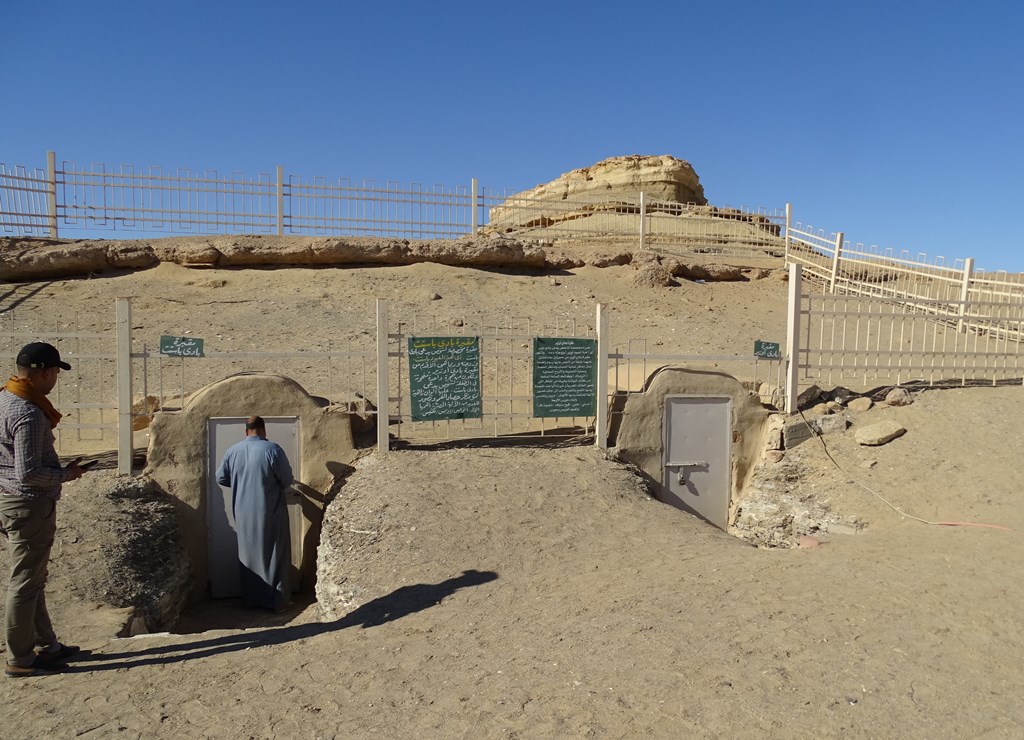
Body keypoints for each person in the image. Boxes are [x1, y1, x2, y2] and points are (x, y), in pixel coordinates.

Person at [0, 342, 90, 678]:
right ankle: (20, 658)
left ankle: (45, 644)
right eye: (53, 372)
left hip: (10, 499)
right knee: (24, 582)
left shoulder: (5, 397)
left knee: (33, 578)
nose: (55, 379)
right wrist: (68, 473)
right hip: (28, 503)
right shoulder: (28, 412)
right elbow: (29, 472)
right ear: (44, 373)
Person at [215, 416, 294, 611]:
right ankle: (277, 601)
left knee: (248, 554)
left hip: (242, 512)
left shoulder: (232, 451)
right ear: (263, 429)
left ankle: (251, 599)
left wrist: (241, 484)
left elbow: (221, 478)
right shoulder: (273, 450)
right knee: (275, 552)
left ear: (246, 431)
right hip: (270, 510)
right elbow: (286, 480)